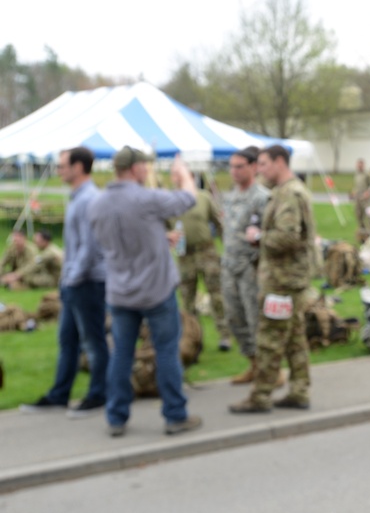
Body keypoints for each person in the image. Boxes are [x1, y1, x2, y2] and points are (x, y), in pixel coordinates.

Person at [88, 146, 203, 438]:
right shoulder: (145, 198)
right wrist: (185, 177)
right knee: (166, 352)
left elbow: (115, 240)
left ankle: (116, 417)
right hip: (155, 290)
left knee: (121, 354)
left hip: (120, 291)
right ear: (136, 168)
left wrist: (157, 237)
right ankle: (175, 415)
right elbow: (188, 198)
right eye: (145, 166)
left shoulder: (98, 204)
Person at [19, 146, 109, 419]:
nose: (58, 171)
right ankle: (59, 395)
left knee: (93, 342)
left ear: (79, 167)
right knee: (67, 340)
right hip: (74, 283)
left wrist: (72, 278)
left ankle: (99, 395)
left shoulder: (89, 199)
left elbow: (90, 247)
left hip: (87, 283)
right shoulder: (77, 197)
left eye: (62, 166)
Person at [229, 144, 316, 414]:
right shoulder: (288, 191)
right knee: (295, 339)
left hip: (281, 280)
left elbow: (288, 237)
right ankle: (299, 390)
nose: (261, 169)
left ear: (280, 162)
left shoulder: (289, 194)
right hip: (291, 278)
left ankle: (261, 396)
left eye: (264, 163)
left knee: (269, 339)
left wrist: (259, 237)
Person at [221, 146, 272, 385]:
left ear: (253, 167)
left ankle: (270, 371)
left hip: (251, 269)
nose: (234, 171)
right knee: (234, 317)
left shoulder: (262, 197)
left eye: (239, 166)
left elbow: (270, 233)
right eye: (231, 166)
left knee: (256, 321)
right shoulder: (229, 197)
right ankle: (253, 364)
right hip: (229, 266)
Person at [169, 183, 231, 351]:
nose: (177, 178)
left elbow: (219, 223)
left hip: (206, 252)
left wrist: (228, 247)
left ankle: (225, 335)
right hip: (184, 255)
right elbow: (162, 229)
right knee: (187, 298)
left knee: (217, 294)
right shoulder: (169, 201)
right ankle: (192, 338)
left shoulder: (203, 197)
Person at [350, 157, 370, 233]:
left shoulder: (368, 174)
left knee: (369, 217)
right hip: (358, 199)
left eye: (361, 165)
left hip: (367, 200)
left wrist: (369, 192)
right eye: (358, 165)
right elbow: (356, 186)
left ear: (363, 165)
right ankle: (362, 231)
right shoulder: (356, 174)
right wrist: (353, 192)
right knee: (359, 215)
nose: (359, 166)